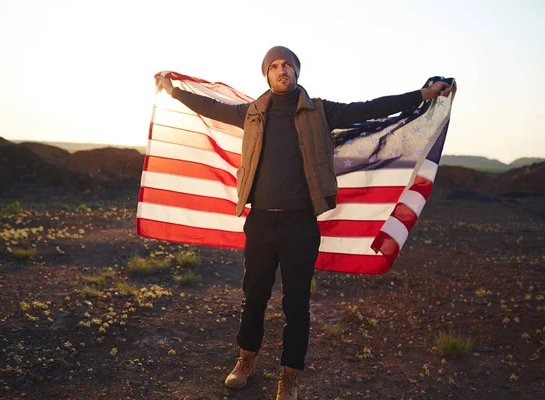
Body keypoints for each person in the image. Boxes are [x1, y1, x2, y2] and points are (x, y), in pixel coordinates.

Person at [155, 45, 452, 400]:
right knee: (254, 299)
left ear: (297, 72)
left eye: (288, 65)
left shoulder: (320, 111)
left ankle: (290, 375)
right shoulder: (251, 113)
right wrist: (172, 90)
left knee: (296, 304)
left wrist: (423, 95)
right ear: (266, 74)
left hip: (301, 226)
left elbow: (372, 107)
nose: (283, 70)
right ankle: (246, 359)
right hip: (261, 223)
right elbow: (211, 107)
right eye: (275, 66)